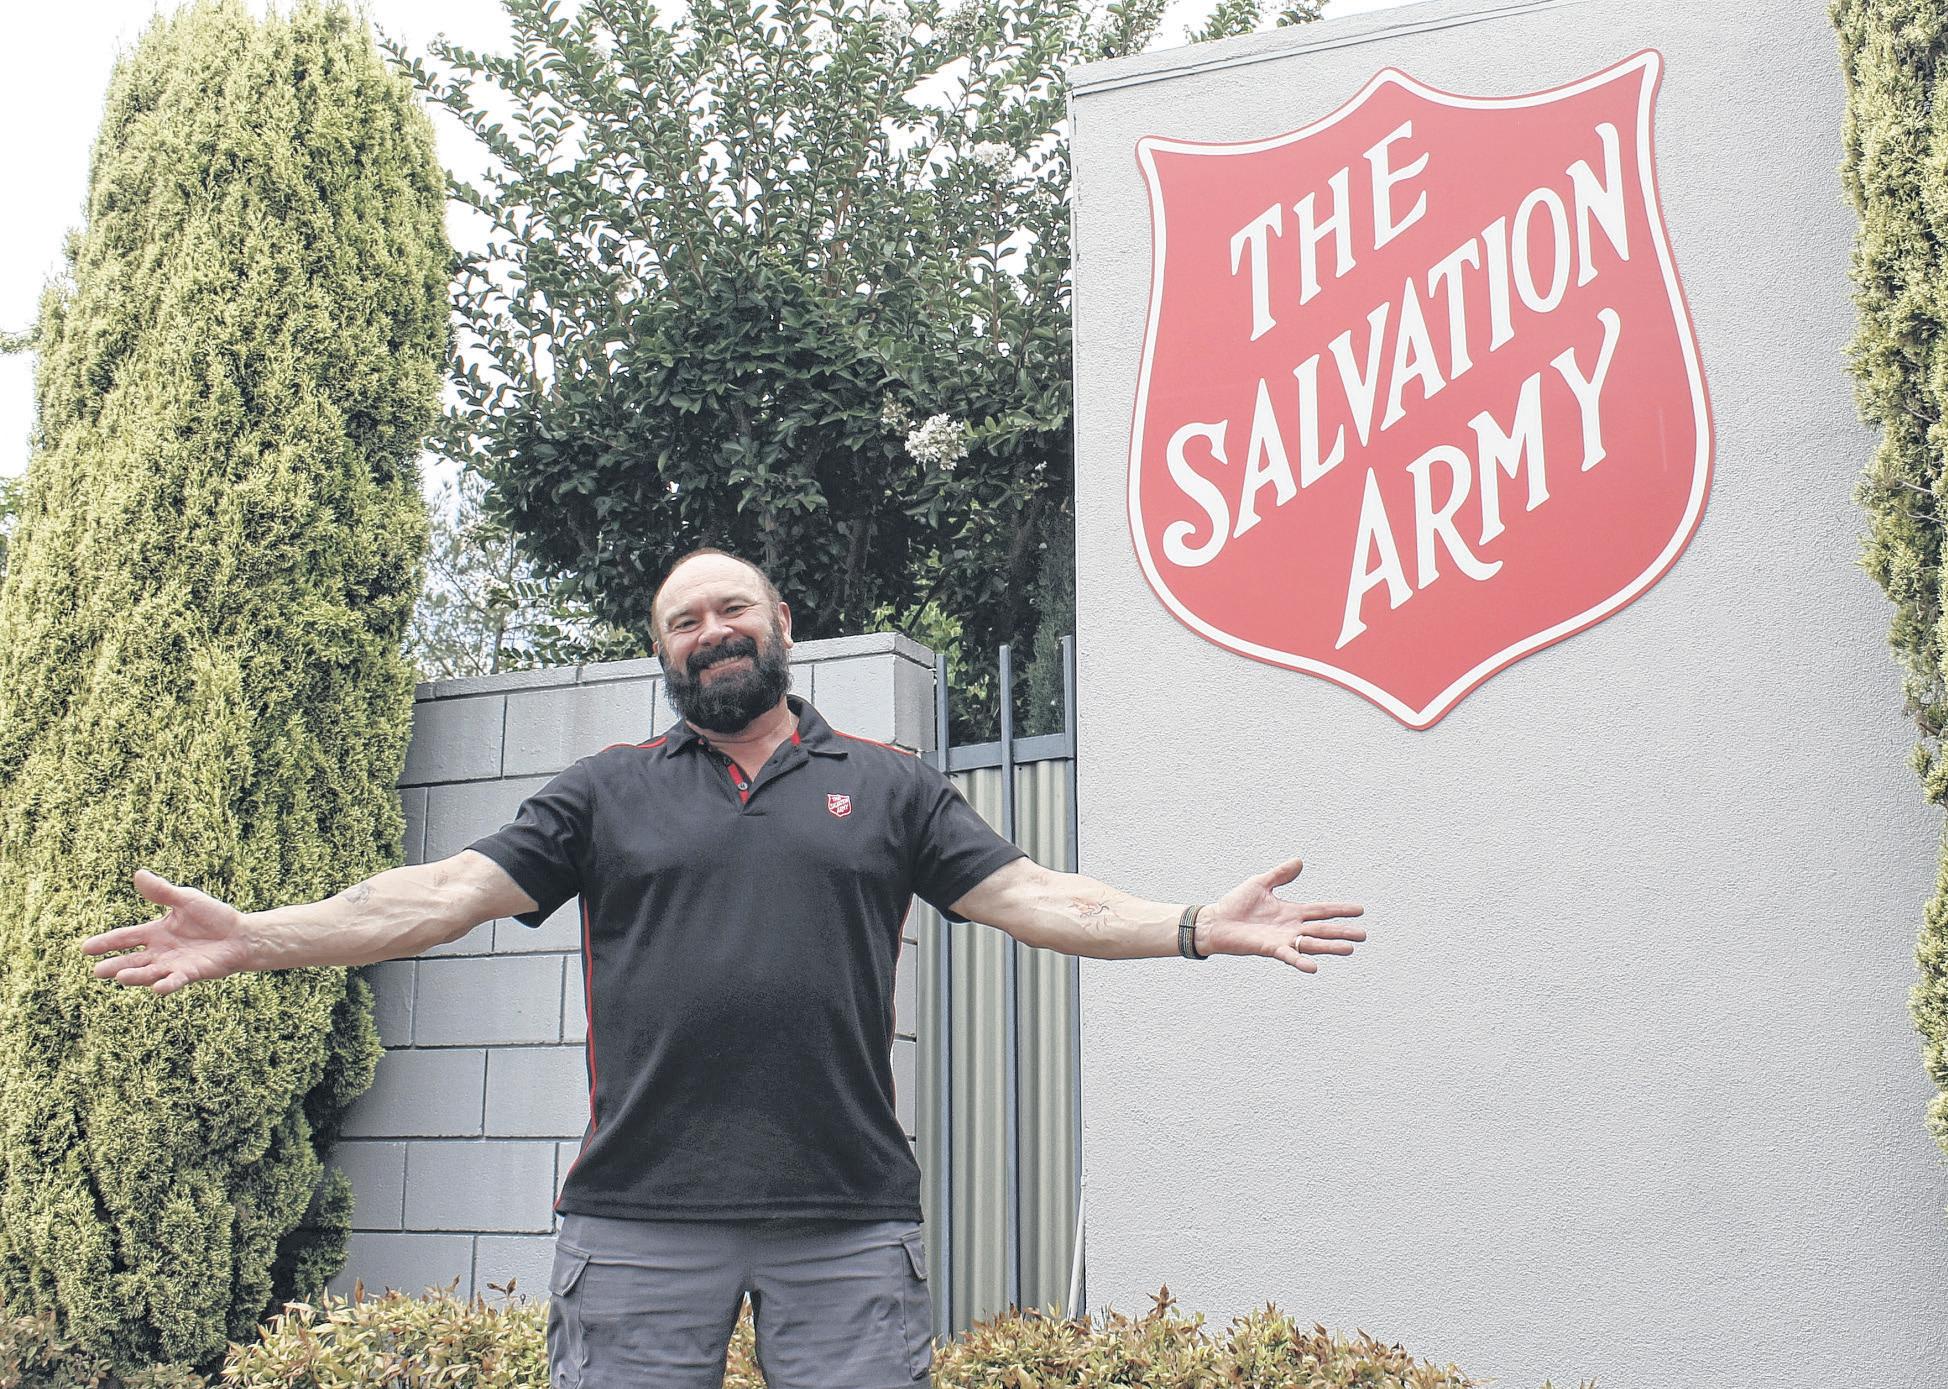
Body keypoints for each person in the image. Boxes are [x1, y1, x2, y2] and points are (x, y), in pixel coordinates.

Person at [81, 548, 1367, 1389]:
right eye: (683, 621)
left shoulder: (891, 786)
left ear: (781, 625)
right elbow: (438, 895)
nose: (711, 631)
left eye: (731, 609)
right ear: (664, 652)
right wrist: (258, 935)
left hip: (846, 1218)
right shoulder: (604, 793)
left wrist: (1195, 924)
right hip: (638, 1216)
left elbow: (1036, 898)